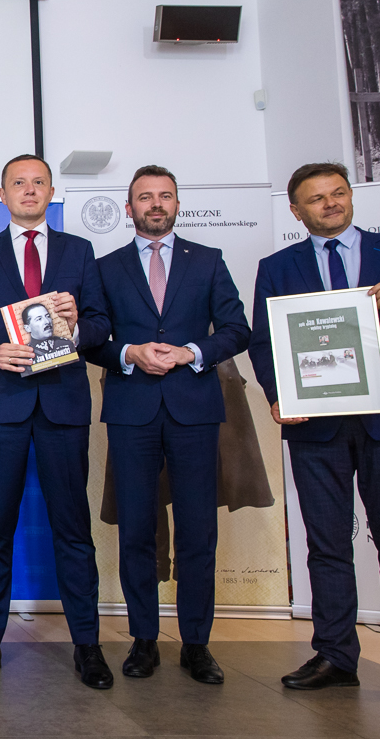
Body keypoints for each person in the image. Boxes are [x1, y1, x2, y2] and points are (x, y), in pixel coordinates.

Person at [249, 162, 380, 718]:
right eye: (316, 198)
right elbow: (264, 342)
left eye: (337, 193)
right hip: (315, 425)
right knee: (328, 546)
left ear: (350, 197)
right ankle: (335, 656)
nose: (330, 203)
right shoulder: (277, 267)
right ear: (296, 211)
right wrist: (277, 394)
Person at [0, 153, 112, 688]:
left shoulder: (78, 251)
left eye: (38, 182)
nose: (29, 190)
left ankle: (88, 646)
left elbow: (101, 324)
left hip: (63, 405)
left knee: (73, 530)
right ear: (2, 194)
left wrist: (76, 326)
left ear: (51, 191)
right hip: (1, 406)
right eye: (18, 183)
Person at [90, 165, 250, 685]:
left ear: (177, 204)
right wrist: (129, 353)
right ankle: (144, 639)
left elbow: (236, 329)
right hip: (132, 410)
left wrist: (192, 352)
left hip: (194, 410)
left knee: (198, 531)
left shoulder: (208, 260)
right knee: (137, 529)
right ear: (129, 207)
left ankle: (197, 644)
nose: (155, 204)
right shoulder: (105, 268)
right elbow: (90, 338)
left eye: (165, 196)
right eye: (145, 197)